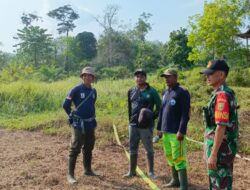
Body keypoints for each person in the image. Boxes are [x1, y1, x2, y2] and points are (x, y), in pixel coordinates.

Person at [200, 59, 239, 190]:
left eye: (211, 73)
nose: (207, 76)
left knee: (220, 185)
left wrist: (213, 154)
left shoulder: (222, 95)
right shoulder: (221, 93)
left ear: (221, 75)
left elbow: (221, 126)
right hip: (221, 150)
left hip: (221, 152)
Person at [123, 69, 161, 179]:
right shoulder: (131, 91)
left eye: (141, 76)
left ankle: (151, 172)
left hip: (146, 127)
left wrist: (151, 117)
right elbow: (130, 109)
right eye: (137, 76)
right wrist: (130, 121)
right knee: (132, 148)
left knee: (149, 149)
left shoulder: (151, 91)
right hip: (133, 125)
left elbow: (160, 108)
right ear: (135, 78)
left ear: (145, 78)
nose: (139, 78)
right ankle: (132, 171)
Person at [63, 66, 97, 184]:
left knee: (89, 147)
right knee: (75, 148)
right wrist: (71, 116)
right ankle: (70, 175)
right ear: (82, 77)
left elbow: (92, 104)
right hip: (78, 124)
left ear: (93, 78)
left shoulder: (93, 91)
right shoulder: (76, 89)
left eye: (90, 76)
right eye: (85, 75)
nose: (87, 77)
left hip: (90, 124)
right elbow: (65, 105)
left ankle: (87, 170)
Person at [157, 69, 190, 190]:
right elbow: (162, 111)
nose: (166, 79)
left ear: (175, 77)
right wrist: (159, 128)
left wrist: (181, 130)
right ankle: (175, 180)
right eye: (165, 77)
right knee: (170, 156)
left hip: (176, 132)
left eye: (169, 77)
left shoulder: (182, 92)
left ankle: (183, 185)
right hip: (166, 131)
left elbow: (185, 113)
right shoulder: (166, 92)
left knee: (179, 158)